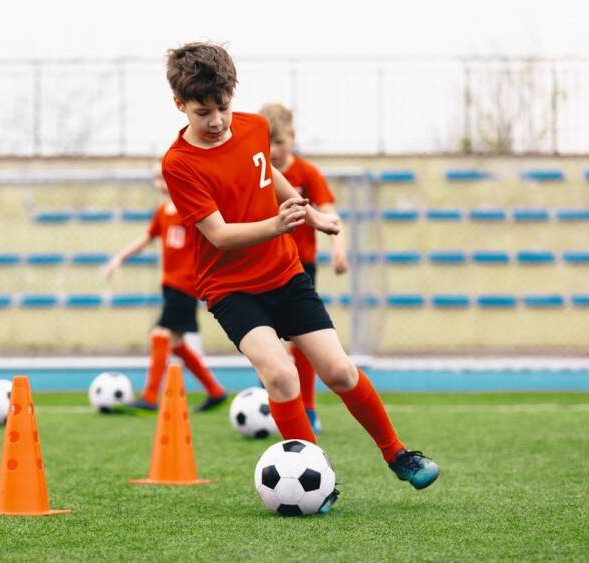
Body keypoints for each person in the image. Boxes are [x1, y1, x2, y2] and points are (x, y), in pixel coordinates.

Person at [161, 43, 439, 511]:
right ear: (180, 105)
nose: (216, 120)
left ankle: (398, 454)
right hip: (231, 289)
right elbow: (220, 235)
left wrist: (309, 215)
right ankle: (319, 478)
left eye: (223, 107)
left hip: (285, 274)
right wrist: (278, 224)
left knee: (339, 371)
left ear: (233, 95)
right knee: (282, 376)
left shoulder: (254, 128)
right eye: (202, 111)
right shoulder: (179, 164)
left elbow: (266, 174)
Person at [103, 162, 227, 412]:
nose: (160, 183)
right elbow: (147, 237)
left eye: (164, 177)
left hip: (187, 284)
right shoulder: (162, 211)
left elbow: (214, 236)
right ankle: (215, 391)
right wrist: (119, 258)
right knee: (176, 343)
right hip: (170, 285)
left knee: (159, 336)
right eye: (156, 178)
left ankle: (149, 398)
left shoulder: (191, 208)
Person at [259, 103, 348, 433]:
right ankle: (280, 403)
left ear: (292, 137)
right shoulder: (256, 172)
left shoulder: (307, 174)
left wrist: (339, 249)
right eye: (267, 144)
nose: (274, 150)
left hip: (299, 266)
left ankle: (308, 408)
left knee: (301, 341)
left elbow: (329, 212)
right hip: (263, 264)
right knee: (266, 343)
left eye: (279, 141)